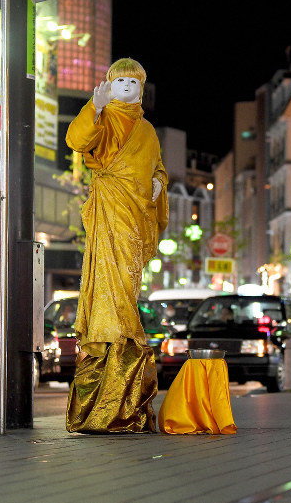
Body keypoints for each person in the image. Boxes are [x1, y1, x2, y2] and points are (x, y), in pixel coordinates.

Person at [64, 58, 169, 433]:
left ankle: (121, 361)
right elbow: (77, 141)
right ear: (108, 85)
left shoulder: (148, 130)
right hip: (108, 206)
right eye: (119, 80)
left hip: (134, 215)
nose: (126, 85)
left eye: (133, 81)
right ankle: (118, 344)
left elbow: (157, 166)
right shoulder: (103, 119)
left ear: (142, 88)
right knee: (110, 283)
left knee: (127, 280)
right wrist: (93, 107)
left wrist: (158, 182)